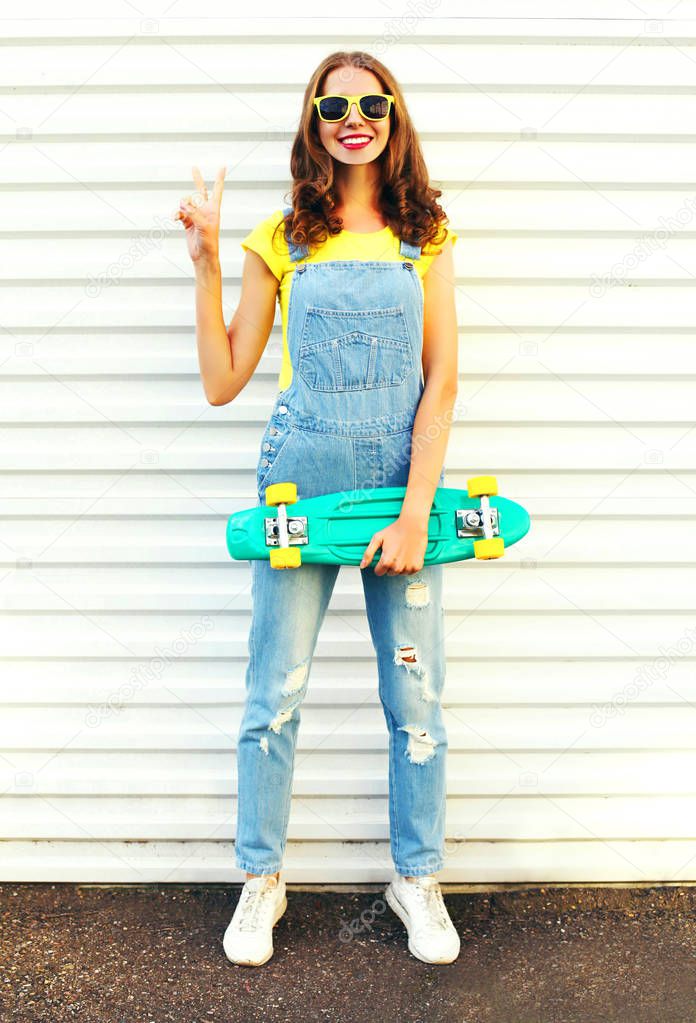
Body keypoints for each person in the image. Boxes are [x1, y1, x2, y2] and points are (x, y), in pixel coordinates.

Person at [176, 50, 460, 967]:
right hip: (298, 499)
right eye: (333, 104)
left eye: (370, 103)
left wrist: (416, 512)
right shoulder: (281, 237)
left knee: (415, 701)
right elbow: (224, 381)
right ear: (313, 120)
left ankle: (415, 877)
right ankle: (261, 877)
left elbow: (443, 379)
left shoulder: (428, 237)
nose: (353, 117)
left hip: (395, 502)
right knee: (274, 700)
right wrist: (210, 259)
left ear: (392, 117)